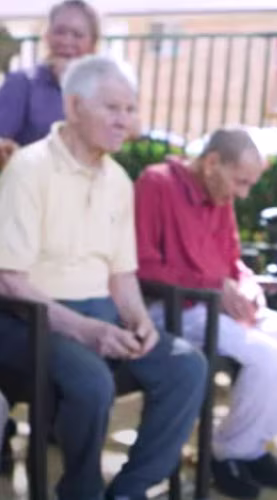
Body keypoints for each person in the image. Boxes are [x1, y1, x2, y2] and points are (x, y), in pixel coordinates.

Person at [0, 54, 207, 500]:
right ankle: (81, 491)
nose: (125, 121)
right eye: (113, 108)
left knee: (185, 366)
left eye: (131, 109)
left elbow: (122, 274)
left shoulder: (119, 180)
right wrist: (83, 329)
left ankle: (130, 490)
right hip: (27, 321)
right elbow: (9, 281)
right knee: (92, 382)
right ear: (74, 107)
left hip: (100, 318)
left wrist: (138, 319)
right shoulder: (28, 169)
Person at [134, 128, 277, 499]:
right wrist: (212, 285)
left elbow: (233, 261)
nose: (243, 194)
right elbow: (141, 267)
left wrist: (247, 284)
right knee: (266, 355)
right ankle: (229, 455)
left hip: (219, 308)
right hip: (173, 309)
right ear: (211, 163)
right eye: (240, 181)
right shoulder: (155, 183)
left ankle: (240, 448)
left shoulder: (220, 194)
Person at [0, 0, 100, 166]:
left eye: (77, 35)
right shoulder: (22, 82)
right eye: (59, 32)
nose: (66, 41)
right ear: (47, 36)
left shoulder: (102, 89)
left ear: (92, 43)